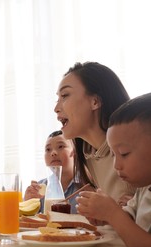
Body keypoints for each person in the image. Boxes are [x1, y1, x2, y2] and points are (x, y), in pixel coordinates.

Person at [76, 92, 151, 247]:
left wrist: (113, 214)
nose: (116, 165)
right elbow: (130, 218)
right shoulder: (144, 188)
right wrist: (105, 216)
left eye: (124, 154)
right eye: (114, 155)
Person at [54, 62, 136, 206]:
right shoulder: (88, 154)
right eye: (57, 99)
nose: (56, 108)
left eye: (65, 95)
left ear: (95, 101)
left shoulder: (137, 144)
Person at [24, 130, 89, 214]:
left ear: (74, 152)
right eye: (48, 149)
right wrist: (27, 203)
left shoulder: (87, 185)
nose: (53, 153)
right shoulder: (39, 189)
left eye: (60, 146)